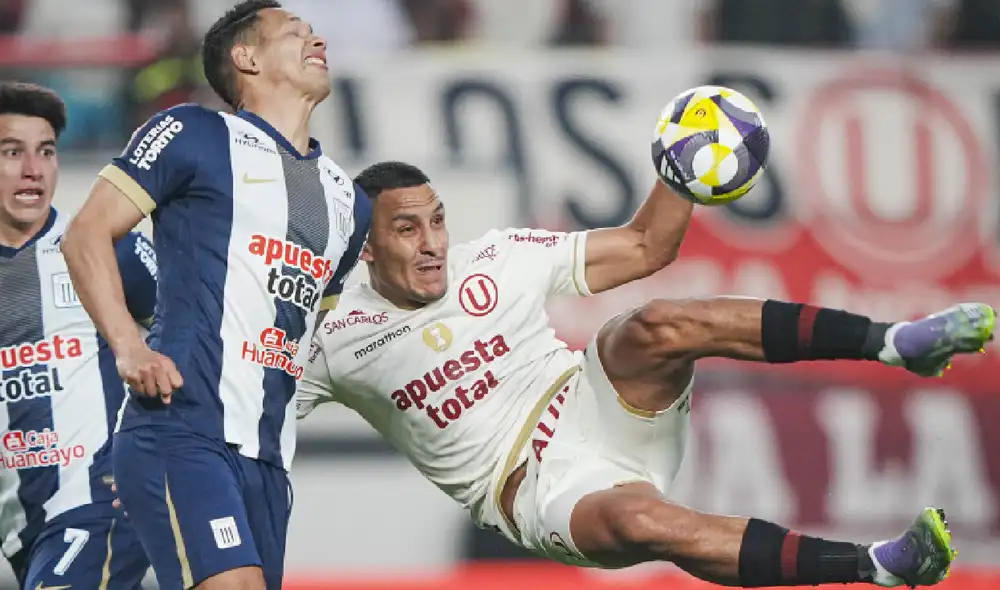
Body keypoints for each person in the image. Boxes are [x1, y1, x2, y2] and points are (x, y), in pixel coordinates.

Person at [299, 160, 994, 588]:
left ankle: (898, 342)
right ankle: (876, 565)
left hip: (593, 403)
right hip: (542, 492)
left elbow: (644, 244)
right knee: (643, 520)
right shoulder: (331, 338)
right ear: (365, 247)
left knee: (655, 324)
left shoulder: (497, 257)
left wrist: (680, 171)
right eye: (407, 230)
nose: (433, 245)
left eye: (438, 222)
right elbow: (239, 408)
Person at [60, 1, 371, 589]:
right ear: (246, 57)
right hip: (182, 429)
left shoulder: (349, 203)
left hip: (269, 464)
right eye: (295, 33)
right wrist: (129, 344)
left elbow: (309, 331)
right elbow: (86, 234)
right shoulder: (195, 132)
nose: (317, 40)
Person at [0, 82, 155, 589]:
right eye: (12, 152)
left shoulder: (104, 250)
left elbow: (196, 338)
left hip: (100, 505)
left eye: (45, 152)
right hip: (23, 532)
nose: (33, 169)